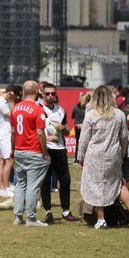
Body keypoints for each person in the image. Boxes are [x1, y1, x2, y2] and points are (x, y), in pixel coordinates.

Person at [76, 85, 129, 229]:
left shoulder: (91, 115)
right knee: (118, 184)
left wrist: (80, 156)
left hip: (95, 155)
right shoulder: (119, 115)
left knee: (96, 185)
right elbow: (124, 137)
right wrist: (123, 153)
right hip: (113, 154)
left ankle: (101, 219)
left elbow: (84, 138)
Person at [10, 80, 49, 227]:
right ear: (37, 91)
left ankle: (18, 216)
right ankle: (31, 218)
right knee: (33, 186)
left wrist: (13, 150)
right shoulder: (38, 110)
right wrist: (45, 153)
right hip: (33, 151)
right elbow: (40, 133)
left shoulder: (15, 108)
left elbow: (13, 132)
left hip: (19, 151)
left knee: (20, 184)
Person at [38, 83, 77, 223]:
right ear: (42, 94)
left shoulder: (61, 110)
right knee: (46, 182)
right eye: (47, 93)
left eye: (53, 94)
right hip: (45, 148)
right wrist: (47, 138)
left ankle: (66, 211)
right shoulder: (38, 109)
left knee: (65, 180)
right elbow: (34, 131)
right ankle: (48, 211)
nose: (50, 96)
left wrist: (63, 128)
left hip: (60, 148)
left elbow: (66, 130)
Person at [0, 84, 14, 199]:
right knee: (9, 160)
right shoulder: (1, 102)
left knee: (2, 162)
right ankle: (6, 188)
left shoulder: (2, 102)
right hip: (4, 134)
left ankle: (1, 188)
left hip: (3, 133)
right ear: (10, 92)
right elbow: (12, 115)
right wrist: (13, 102)